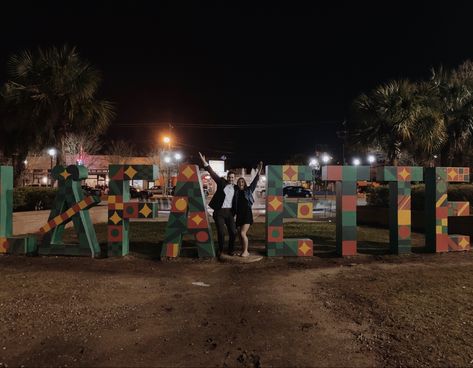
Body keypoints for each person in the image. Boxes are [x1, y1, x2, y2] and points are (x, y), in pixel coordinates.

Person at [198, 152, 237, 256]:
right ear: (227, 177)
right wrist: (205, 162)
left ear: (234, 178)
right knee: (221, 232)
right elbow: (212, 173)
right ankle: (220, 250)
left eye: (233, 178)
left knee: (233, 232)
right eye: (230, 177)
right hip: (219, 212)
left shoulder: (236, 188)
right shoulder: (221, 183)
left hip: (229, 213)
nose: (231, 179)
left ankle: (231, 250)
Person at [234, 162, 263, 257]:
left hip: (247, 214)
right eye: (239, 182)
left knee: (243, 233)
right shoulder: (236, 191)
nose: (241, 183)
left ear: (244, 183)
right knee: (239, 235)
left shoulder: (249, 190)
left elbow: (255, 181)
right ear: (237, 184)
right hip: (239, 215)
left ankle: (246, 251)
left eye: (242, 182)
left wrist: (258, 171)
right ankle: (243, 251)